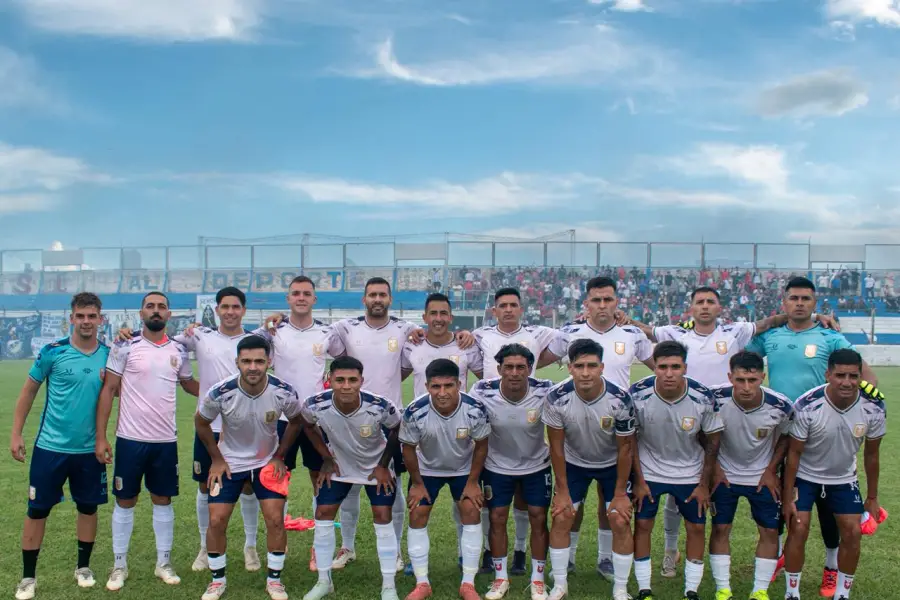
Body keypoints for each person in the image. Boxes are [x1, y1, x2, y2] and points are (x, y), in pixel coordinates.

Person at [625, 285, 836, 579]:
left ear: (719, 307)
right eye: (699, 302)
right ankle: (671, 551)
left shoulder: (734, 332)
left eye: (711, 301)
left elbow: (770, 322)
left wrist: (817, 317)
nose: (705, 306)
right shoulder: (677, 334)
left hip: (724, 420)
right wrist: (624, 318)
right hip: (685, 418)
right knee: (676, 492)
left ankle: (723, 560)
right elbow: (647, 331)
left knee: (705, 490)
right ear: (691, 308)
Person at [745, 277, 880, 595]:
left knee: (827, 505)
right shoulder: (771, 337)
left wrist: (872, 393)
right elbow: (744, 357)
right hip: (780, 431)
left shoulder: (829, 336)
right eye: (794, 298)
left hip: (820, 430)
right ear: (784, 302)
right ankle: (778, 556)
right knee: (779, 497)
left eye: (806, 298)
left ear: (815, 303)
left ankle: (832, 567)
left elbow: (858, 367)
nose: (800, 303)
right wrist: (771, 322)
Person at [117, 286, 261, 573]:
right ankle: (205, 547)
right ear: (217, 310)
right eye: (225, 307)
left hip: (246, 426)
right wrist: (126, 333)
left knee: (248, 485)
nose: (230, 312)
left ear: (243, 310)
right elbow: (162, 342)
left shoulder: (255, 340)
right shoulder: (199, 336)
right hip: (209, 426)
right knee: (205, 484)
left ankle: (250, 546)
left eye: (236, 307)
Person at [195, 334, 313, 600]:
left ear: (269, 362)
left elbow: (296, 421)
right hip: (230, 463)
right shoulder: (221, 392)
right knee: (216, 520)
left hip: (265, 463)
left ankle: (274, 581)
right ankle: (217, 581)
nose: (253, 367)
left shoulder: (283, 390)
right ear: (237, 362)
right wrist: (216, 459)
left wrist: (280, 455)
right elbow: (201, 422)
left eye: (259, 361)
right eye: (246, 361)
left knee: (275, 520)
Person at [94, 292, 199, 591]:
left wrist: (223, 389)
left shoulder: (179, 348)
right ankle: (119, 565)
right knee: (125, 501)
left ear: (169, 314)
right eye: (150, 306)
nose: (156, 311)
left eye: (161, 307)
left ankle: (163, 562)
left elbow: (189, 384)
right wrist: (101, 437)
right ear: (141, 312)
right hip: (129, 439)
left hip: (165, 441)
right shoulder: (125, 344)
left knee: (162, 500)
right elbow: (109, 389)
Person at [10, 293, 110, 600]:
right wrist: (16, 434)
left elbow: (116, 393)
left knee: (88, 507)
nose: (86, 321)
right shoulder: (53, 352)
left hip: (88, 450)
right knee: (37, 509)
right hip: (50, 448)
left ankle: (83, 568)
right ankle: (28, 577)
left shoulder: (109, 355)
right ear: (71, 318)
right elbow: (28, 392)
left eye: (91, 316)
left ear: (100, 319)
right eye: (80, 315)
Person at [559, 276, 655, 578]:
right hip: (576, 431)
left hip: (619, 433)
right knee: (573, 503)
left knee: (610, 500)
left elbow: (662, 367)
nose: (603, 305)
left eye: (608, 299)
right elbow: (532, 361)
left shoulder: (631, 334)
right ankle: (569, 558)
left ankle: (605, 559)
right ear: (586, 303)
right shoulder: (569, 333)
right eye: (596, 300)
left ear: (617, 302)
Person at [472, 287, 567, 574]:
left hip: (532, 453)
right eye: (503, 305)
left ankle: (520, 553)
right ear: (495, 310)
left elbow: (568, 339)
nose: (509, 309)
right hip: (496, 448)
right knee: (495, 511)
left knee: (530, 509)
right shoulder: (480, 337)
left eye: (514, 305)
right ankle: (490, 554)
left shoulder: (538, 339)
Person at [254, 275, 346, 572]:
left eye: (307, 293)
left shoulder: (326, 333)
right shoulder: (275, 331)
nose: (302, 297)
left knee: (322, 481)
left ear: (314, 299)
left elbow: (344, 361)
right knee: (276, 481)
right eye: (296, 293)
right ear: (288, 298)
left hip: (316, 420)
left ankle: (319, 549)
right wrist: (268, 325)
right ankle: (279, 541)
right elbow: (248, 346)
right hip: (280, 419)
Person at [781, 349, 885, 600]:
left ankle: (842, 594)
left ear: (861, 376)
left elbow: (872, 455)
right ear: (828, 374)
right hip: (806, 477)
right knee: (798, 527)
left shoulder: (874, 406)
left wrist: (872, 497)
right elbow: (793, 454)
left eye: (853, 376)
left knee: (852, 532)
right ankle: (791, 593)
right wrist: (787, 497)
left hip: (843, 479)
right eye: (840, 375)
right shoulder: (808, 404)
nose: (847, 382)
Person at [301, 356, 403, 600]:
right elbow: (307, 425)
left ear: (361, 381)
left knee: (382, 516)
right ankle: (324, 581)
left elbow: (397, 429)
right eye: (340, 380)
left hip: (375, 469)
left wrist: (382, 465)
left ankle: (388, 586)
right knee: (323, 512)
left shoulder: (380, 405)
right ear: (330, 381)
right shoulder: (314, 404)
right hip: (340, 467)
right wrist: (326, 457)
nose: (346, 385)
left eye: (352, 380)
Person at [542, 339, 636, 600]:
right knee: (562, 515)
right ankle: (560, 584)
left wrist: (619, 493)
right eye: (580, 366)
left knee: (619, 517)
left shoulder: (620, 399)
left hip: (611, 464)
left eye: (592, 366)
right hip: (574, 463)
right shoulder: (556, 398)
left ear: (602, 367)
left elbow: (625, 448)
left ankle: (620, 587)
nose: (586, 372)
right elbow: (556, 447)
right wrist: (561, 490)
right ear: (569, 367)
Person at [630, 340, 723, 600]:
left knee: (696, 528)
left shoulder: (703, 396)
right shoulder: (637, 394)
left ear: (685, 367)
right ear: (654, 367)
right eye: (662, 367)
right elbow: (630, 440)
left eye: (675, 367)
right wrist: (638, 479)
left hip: (690, 472)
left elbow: (713, 441)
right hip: (649, 471)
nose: (668, 373)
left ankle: (691, 590)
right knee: (643, 524)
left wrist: (704, 484)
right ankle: (644, 588)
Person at [401, 292, 483, 568]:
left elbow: (486, 378)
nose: (438, 319)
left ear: (451, 316)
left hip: (461, 437)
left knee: (466, 506)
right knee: (418, 505)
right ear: (425, 318)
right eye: (432, 314)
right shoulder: (412, 345)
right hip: (423, 434)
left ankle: (466, 556)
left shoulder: (466, 346)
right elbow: (394, 374)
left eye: (443, 313)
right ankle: (415, 561)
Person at [469, 344, 554, 600]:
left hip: (537, 464)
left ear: (530, 369)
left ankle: (538, 580)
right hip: (496, 465)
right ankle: (500, 577)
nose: (514, 372)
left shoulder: (546, 389)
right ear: (499, 369)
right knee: (496, 517)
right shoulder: (482, 391)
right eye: (509, 367)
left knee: (539, 516)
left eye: (520, 367)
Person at [400, 358, 490, 600]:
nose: (442, 393)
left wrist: (473, 482)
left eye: (448, 386)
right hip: (427, 471)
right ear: (427, 386)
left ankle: (468, 583)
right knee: (417, 513)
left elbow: (481, 445)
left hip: (463, 469)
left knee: (471, 510)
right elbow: (408, 448)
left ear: (459, 384)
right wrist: (417, 484)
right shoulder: (414, 411)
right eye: (436, 386)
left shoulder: (474, 409)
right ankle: (422, 584)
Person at [708, 351, 793, 600]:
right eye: (740, 380)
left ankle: (760, 590)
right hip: (724, 475)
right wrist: (715, 468)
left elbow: (788, 436)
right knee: (720, 528)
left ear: (762, 378)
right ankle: (723, 588)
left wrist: (771, 470)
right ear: (730, 377)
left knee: (768, 531)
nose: (746, 387)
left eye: (753, 380)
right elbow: (701, 431)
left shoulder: (780, 405)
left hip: (761, 477)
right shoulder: (713, 398)